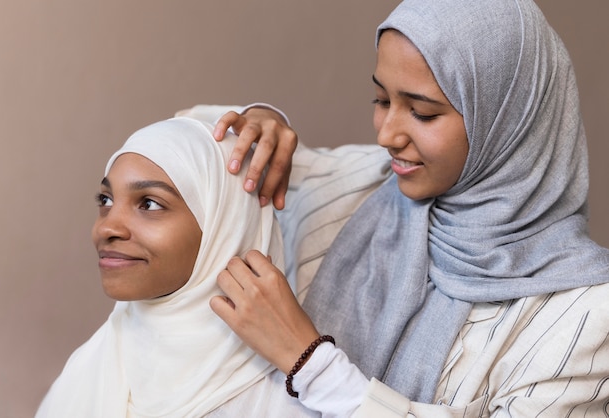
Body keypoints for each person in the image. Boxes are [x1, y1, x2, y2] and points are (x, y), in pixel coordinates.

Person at [180, 0, 609, 416]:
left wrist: (309, 363)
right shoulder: (359, 182)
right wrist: (261, 122)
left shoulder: (584, 311)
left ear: (509, 119)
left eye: (421, 113)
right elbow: (177, 152)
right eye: (382, 101)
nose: (386, 135)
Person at [34, 117, 319, 417]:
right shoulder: (91, 364)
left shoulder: (288, 399)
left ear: (223, 227)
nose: (107, 228)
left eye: (149, 204)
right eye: (105, 200)